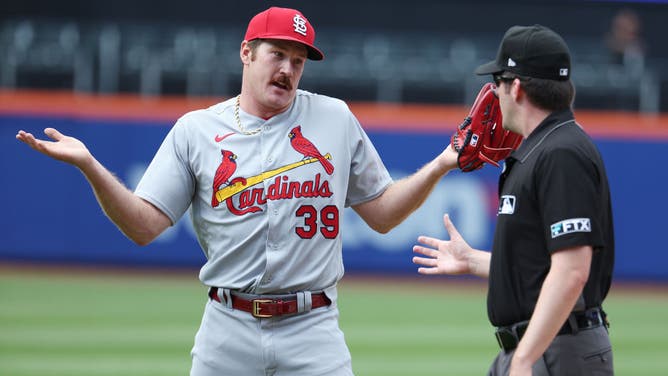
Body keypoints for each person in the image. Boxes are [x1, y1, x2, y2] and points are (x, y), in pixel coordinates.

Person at [16, 7, 458, 376]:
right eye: (277, 54)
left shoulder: (335, 119)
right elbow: (144, 227)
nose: (287, 69)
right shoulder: (197, 130)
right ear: (246, 53)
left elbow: (381, 214)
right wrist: (91, 166)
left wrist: (440, 164)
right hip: (227, 328)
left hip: (313, 328)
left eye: (298, 61)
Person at [413, 25, 615, 375]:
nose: (493, 91)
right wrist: (473, 261)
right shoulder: (541, 149)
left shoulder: (562, 152)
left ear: (517, 87)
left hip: (555, 351)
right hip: (537, 347)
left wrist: (523, 359)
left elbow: (571, 273)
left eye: (498, 82)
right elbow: (543, 269)